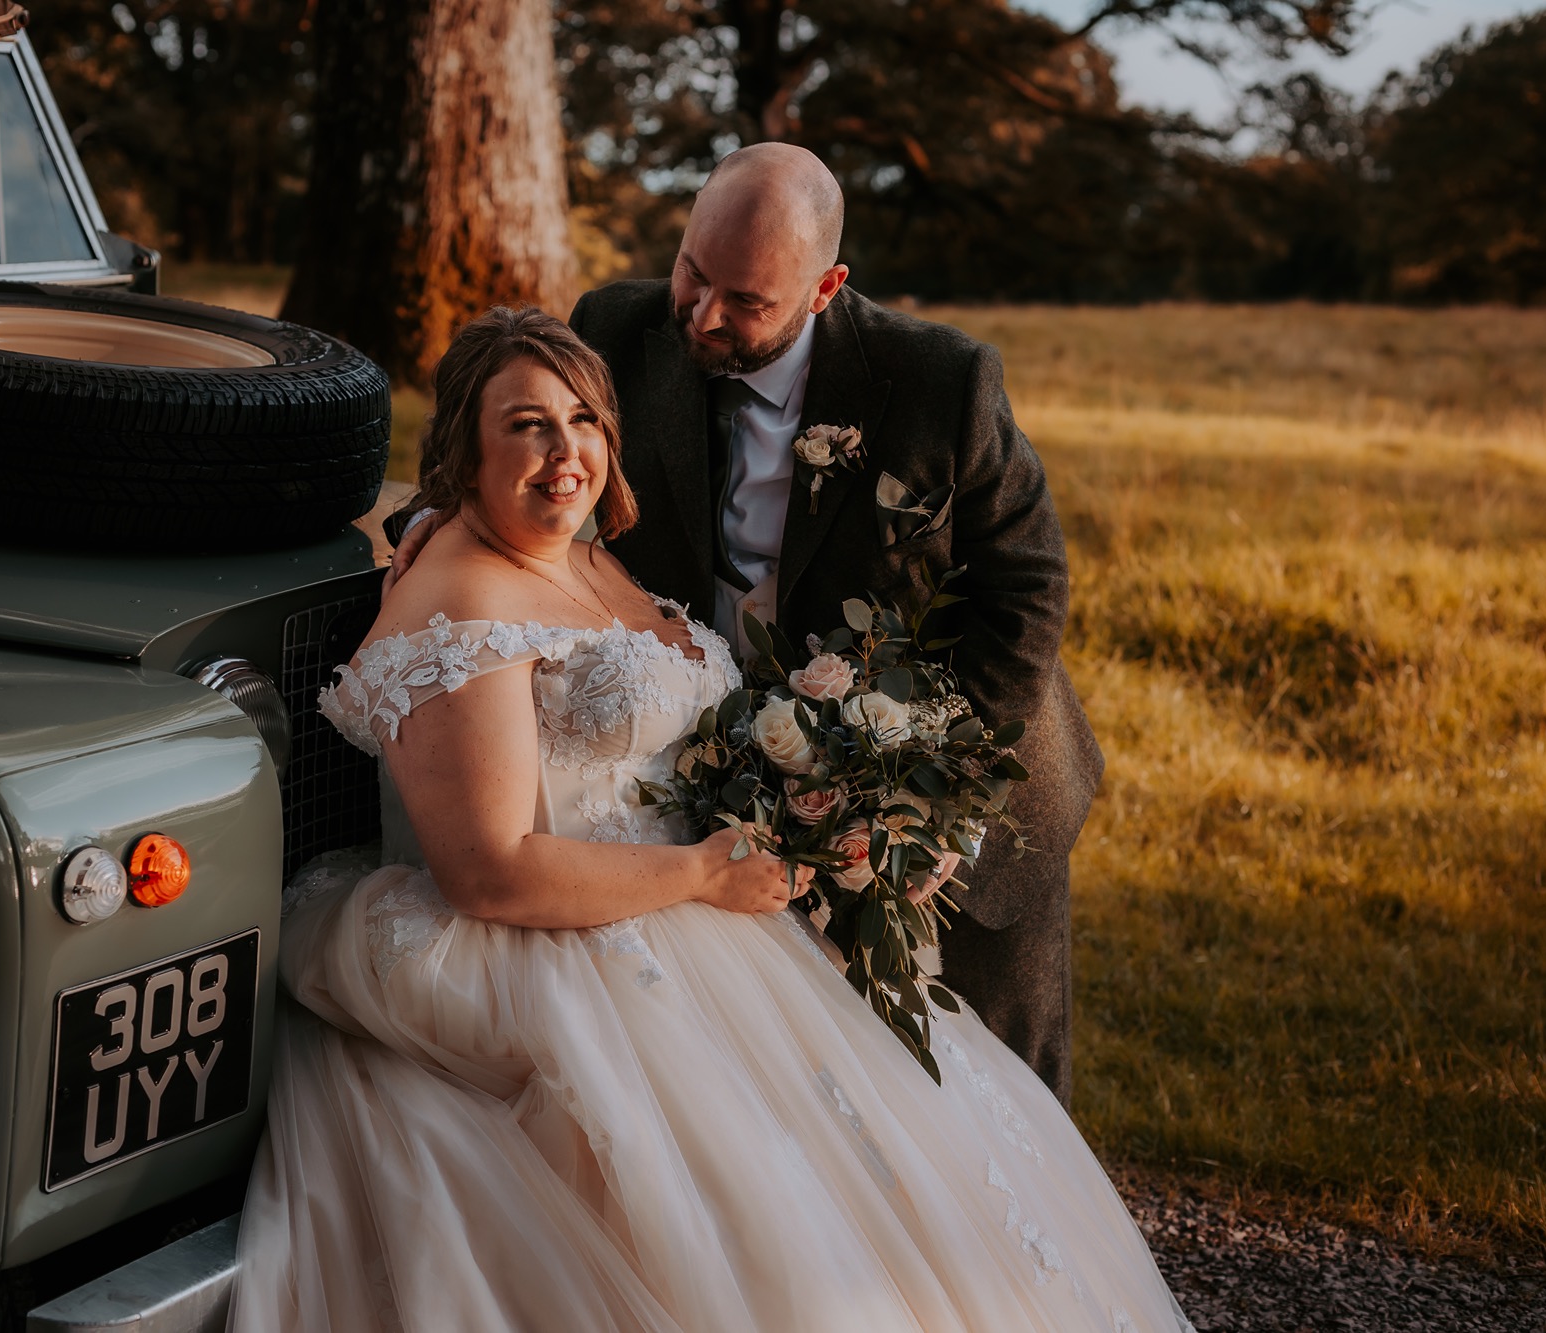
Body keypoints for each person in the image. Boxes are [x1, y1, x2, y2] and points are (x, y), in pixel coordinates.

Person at [230, 306, 1191, 1332]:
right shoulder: (460, 597)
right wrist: (699, 873)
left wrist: (821, 806)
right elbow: (489, 871)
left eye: (584, 421)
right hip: (554, 939)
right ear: (464, 442)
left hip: (705, 907)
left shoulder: (589, 556)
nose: (566, 454)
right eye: (525, 425)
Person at [391, 143, 1100, 1102]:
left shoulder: (943, 380)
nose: (705, 313)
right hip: (733, 779)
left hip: (956, 774)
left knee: (995, 1084)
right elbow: (528, 438)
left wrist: (932, 799)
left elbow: (1027, 582)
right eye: (694, 271)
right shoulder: (619, 323)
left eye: (747, 302)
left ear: (826, 287)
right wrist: (439, 512)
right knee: (802, 1084)